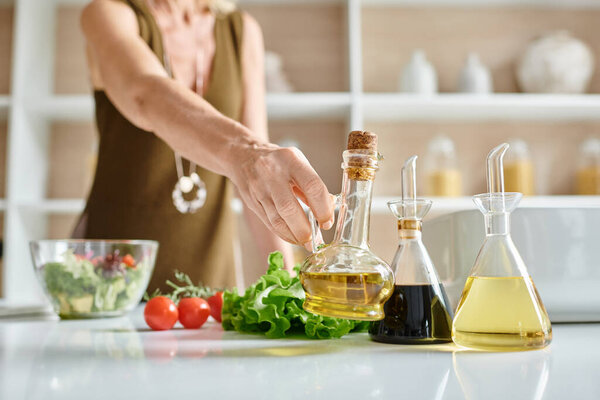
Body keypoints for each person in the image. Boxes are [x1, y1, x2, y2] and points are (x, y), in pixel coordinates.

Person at [78, 0, 334, 291]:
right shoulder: (109, 13)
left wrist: (290, 283)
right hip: (111, 275)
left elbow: (260, 179)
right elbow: (143, 92)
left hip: (209, 274)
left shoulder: (240, 30)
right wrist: (248, 153)